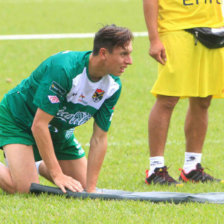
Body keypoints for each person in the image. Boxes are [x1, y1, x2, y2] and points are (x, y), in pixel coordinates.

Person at [0, 24, 133, 194]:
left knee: (82, 186)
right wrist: (57, 174)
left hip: (58, 130)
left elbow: (99, 138)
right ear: (103, 53)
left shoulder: (113, 86)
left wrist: (90, 189)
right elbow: (39, 125)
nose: (130, 61)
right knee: (25, 189)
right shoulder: (65, 69)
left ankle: (32, 162)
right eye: (124, 54)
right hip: (19, 119)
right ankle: (26, 161)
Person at [143, 0, 224, 185]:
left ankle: (192, 167)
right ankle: (155, 169)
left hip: (214, 29)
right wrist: (154, 39)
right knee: (168, 98)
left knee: (203, 99)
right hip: (176, 30)